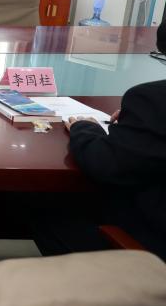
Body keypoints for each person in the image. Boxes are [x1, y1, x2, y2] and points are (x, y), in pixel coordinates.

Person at [39, 19, 166, 259]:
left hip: (150, 251)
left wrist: (85, 128)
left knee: (45, 209)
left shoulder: (152, 100)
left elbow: (104, 163)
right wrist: (138, 123)